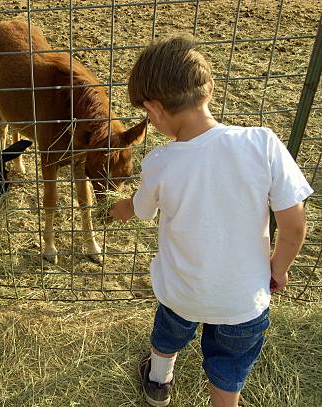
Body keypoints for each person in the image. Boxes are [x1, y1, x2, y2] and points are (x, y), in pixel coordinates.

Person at [110, 35, 313, 407]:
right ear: (210, 89)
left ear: (153, 110)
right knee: (230, 365)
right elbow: (295, 224)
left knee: (167, 336)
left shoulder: (160, 162)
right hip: (244, 299)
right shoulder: (262, 143)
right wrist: (278, 269)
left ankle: (158, 382)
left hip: (182, 294)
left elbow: (139, 210)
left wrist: (117, 208)